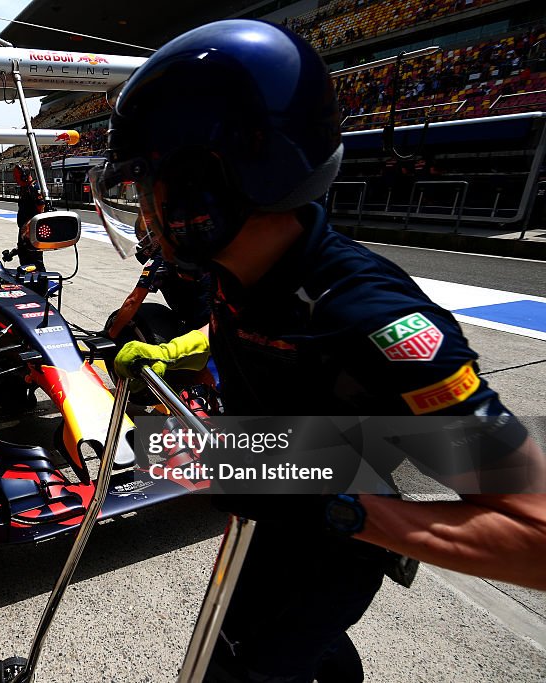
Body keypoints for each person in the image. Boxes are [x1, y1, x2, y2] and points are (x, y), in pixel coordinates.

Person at [98, 21, 546, 682]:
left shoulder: (374, 320)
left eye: (147, 185)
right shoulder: (233, 269)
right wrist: (174, 358)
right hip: (265, 510)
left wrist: (341, 502)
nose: (142, 211)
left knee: (232, 666)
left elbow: (533, 535)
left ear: (211, 182)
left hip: (330, 548)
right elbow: (252, 341)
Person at [13, 165, 47, 271]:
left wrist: (31, 224)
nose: (15, 179)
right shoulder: (25, 188)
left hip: (32, 230)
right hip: (24, 229)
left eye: (17, 177)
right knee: (24, 256)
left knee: (35, 260)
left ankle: (41, 282)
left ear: (24, 176)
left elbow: (41, 208)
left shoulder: (34, 188)